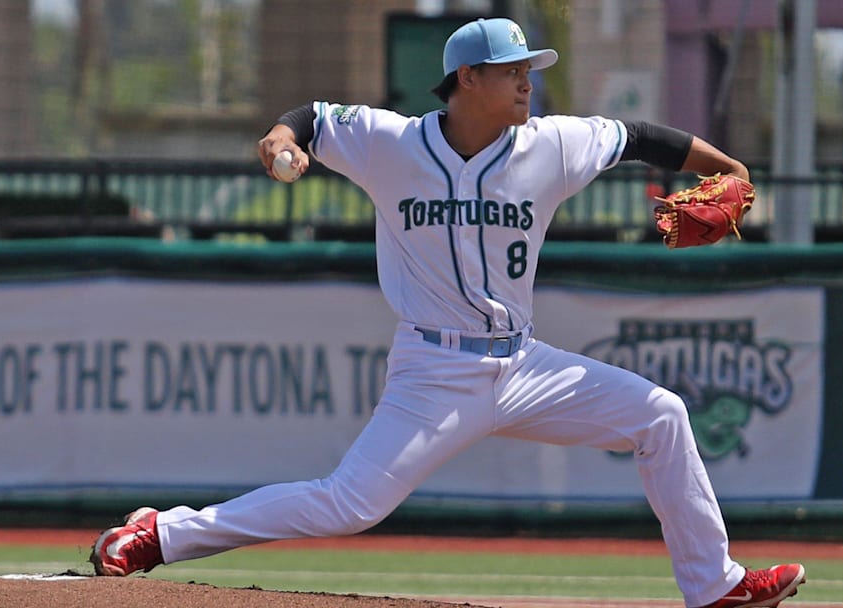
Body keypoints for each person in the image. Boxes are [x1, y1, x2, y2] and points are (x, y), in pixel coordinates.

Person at [90, 17, 805, 608]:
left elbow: (643, 137)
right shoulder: (393, 143)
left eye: (529, 68)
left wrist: (732, 170)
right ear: (468, 78)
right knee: (349, 505)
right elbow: (310, 119)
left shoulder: (552, 144)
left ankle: (715, 587)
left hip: (526, 364)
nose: (528, 80)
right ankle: (163, 533)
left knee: (663, 415)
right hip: (434, 370)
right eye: (511, 69)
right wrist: (283, 138)